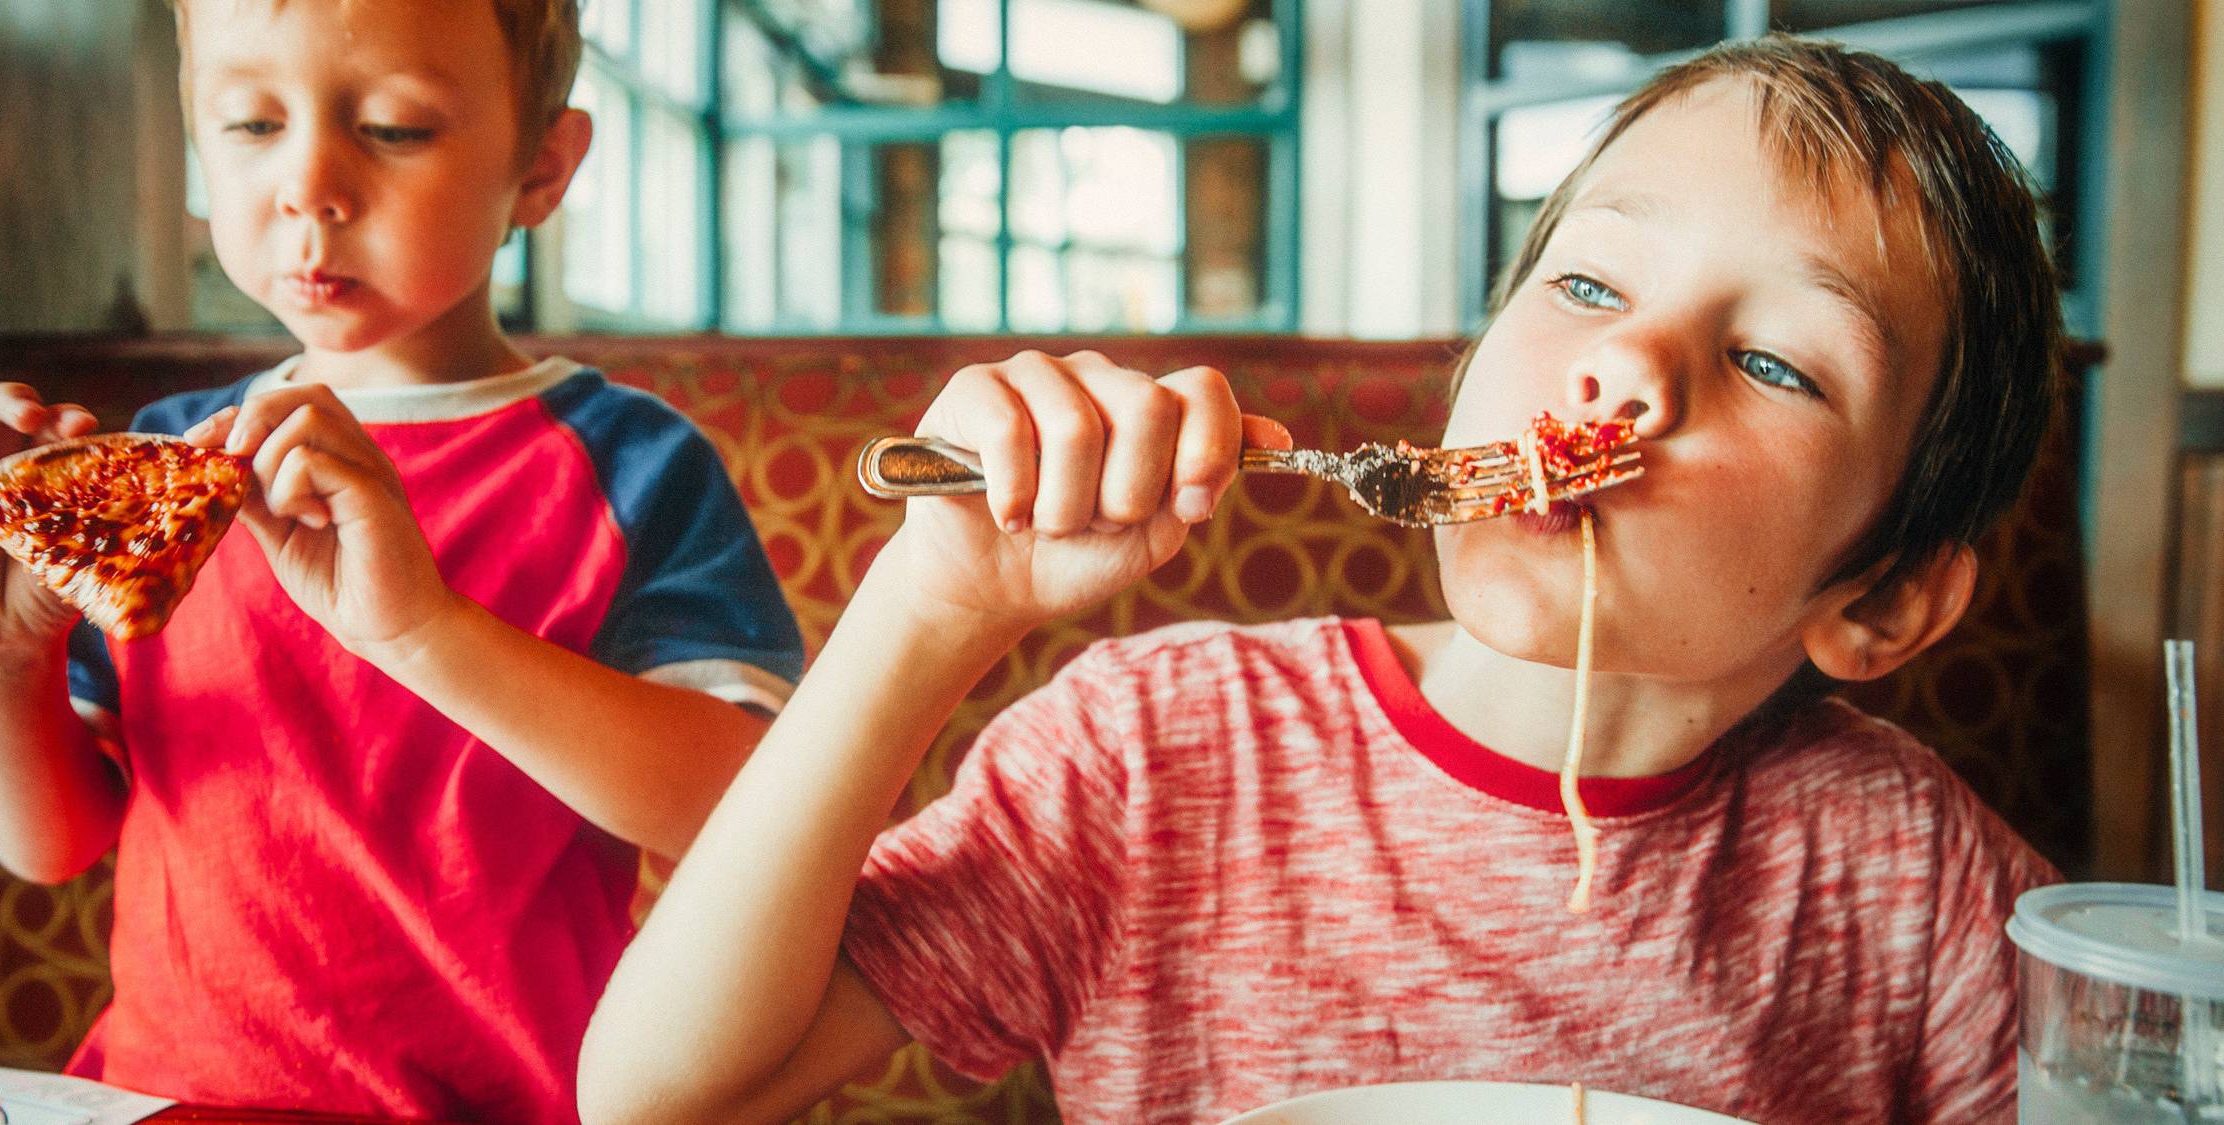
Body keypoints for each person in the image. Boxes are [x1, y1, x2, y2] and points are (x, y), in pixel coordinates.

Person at [578, 34, 2063, 1125]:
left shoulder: (1911, 876)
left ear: (1879, 600)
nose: (1626, 363)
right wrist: (929, 609)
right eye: (1590, 284)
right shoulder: (1158, 752)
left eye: (1770, 362)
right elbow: (661, 1090)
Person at [0, 1, 803, 1120]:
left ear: (540, 168)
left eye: (392, 128)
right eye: (248, 124)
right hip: (167, 1097)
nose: (308, 186)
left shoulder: (633, 466)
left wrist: (425, 633)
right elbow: (53, 842)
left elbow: (749, 813)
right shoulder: (163, 463)